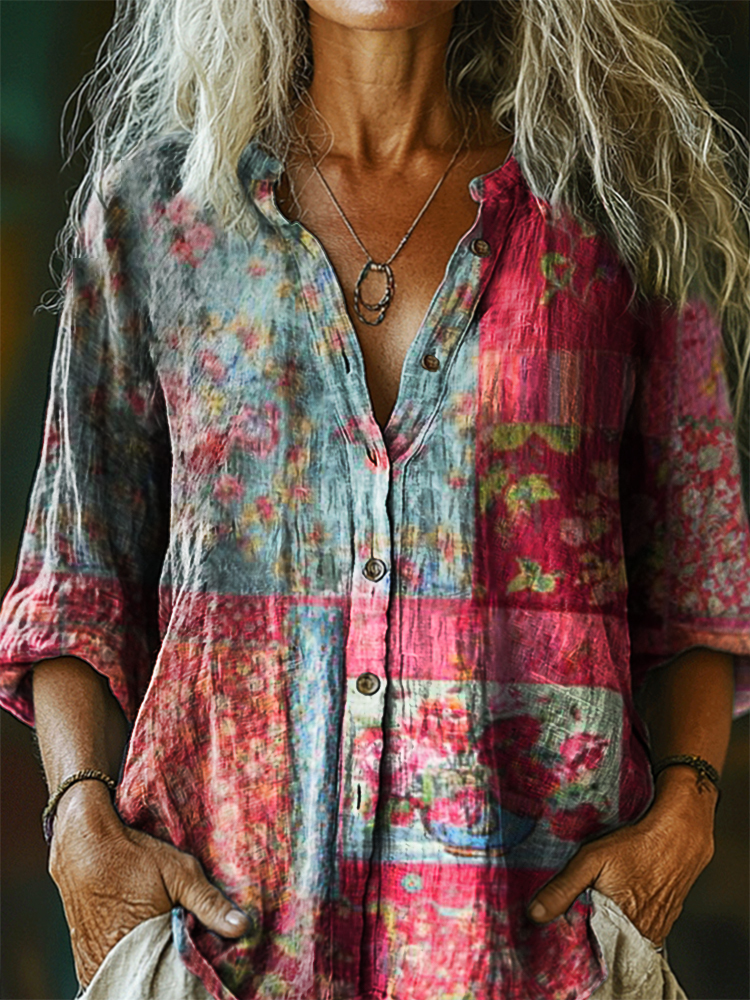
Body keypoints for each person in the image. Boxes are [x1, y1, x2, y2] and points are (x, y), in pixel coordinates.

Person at [1, 0, 749, 998]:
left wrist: (688, 808)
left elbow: (698, 577)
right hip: (220, 957)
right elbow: (76, 580)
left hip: (532, 957)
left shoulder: (614, 214)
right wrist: (80, 820)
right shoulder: (159, 213)